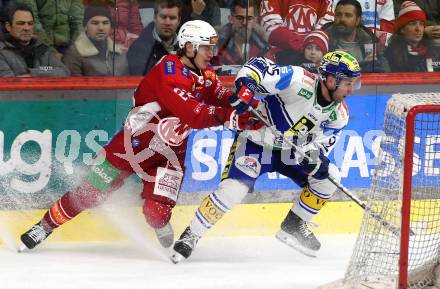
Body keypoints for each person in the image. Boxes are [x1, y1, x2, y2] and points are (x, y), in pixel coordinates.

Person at [19, 19, 261, 252]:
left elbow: (222, 97)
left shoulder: (205, 74)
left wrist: (247, 104)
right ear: (189, 47)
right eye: (207, 48)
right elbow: (194, 114)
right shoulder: (169, 72)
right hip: (131, 147)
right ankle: (44, 227)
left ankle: (158, 221)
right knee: (89, 193)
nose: (211, 54)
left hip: (170, 155)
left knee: (157, 214)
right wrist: (237, 118)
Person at [170, 50, 362, 263]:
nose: (351, 90)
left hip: (291, 152)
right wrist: (246, 87)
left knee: (329, 177)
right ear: (331, 79)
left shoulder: (339, 115)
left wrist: (316, 160)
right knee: (234, 189)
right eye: (348, 83)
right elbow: (258, 67)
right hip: (256, 142)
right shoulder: (298, 80)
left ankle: (294, 224)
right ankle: (191, 234)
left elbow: (320, 145)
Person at [0, 3, 70, 77]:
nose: (27, 28)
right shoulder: (2, 52)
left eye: (30, 23)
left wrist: (33, 74)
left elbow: (64, 71)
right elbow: (8, 82)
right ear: (8, 27)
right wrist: (46, 72)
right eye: (20, 23)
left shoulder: (42, 49)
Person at [323, 0, 389, 72]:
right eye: (338, 15)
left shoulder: (370, 41)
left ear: (357, 20)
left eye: (348, 15)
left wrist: (371, 65)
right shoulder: (322, 40)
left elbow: (385, 71)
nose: (342, 19)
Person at [62, 5, 129, 76]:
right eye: (95, 23)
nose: (101, 28)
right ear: (85, 26)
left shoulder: (120, 52)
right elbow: (75, 85)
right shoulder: (74, 54)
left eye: (105, 23)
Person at [260, 0, 334, 55]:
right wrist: (306, 47)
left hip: (312, 59)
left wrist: (309, 49)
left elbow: (325, 34)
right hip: (279, 57)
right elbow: (272, 30)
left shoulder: (326, 2)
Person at [127, 0, 181, 76]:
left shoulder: (186, 47)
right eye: (163, 17)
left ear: (179, 21)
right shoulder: (138, 48)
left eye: (172, 18)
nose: (167, 23)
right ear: (154, 18)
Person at [16, 0, 84, 59]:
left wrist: (74, 50)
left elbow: (77, 22)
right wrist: (50, 50)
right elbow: (32, 22)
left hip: (66, 46)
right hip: (37, 45)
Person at [385, 1, 440, 72]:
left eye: (421, 24)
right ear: (402, 29)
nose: (418, 29)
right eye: (412, 24)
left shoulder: (434, 52)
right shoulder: (390, 54)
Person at [211, 0, 270, 66]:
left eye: (249, 18)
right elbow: (213, 70)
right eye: (239, 18)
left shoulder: (263, 46)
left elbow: (269, 71)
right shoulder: (219, 44)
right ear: (231, 19)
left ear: (255, 20)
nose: (244, 22)